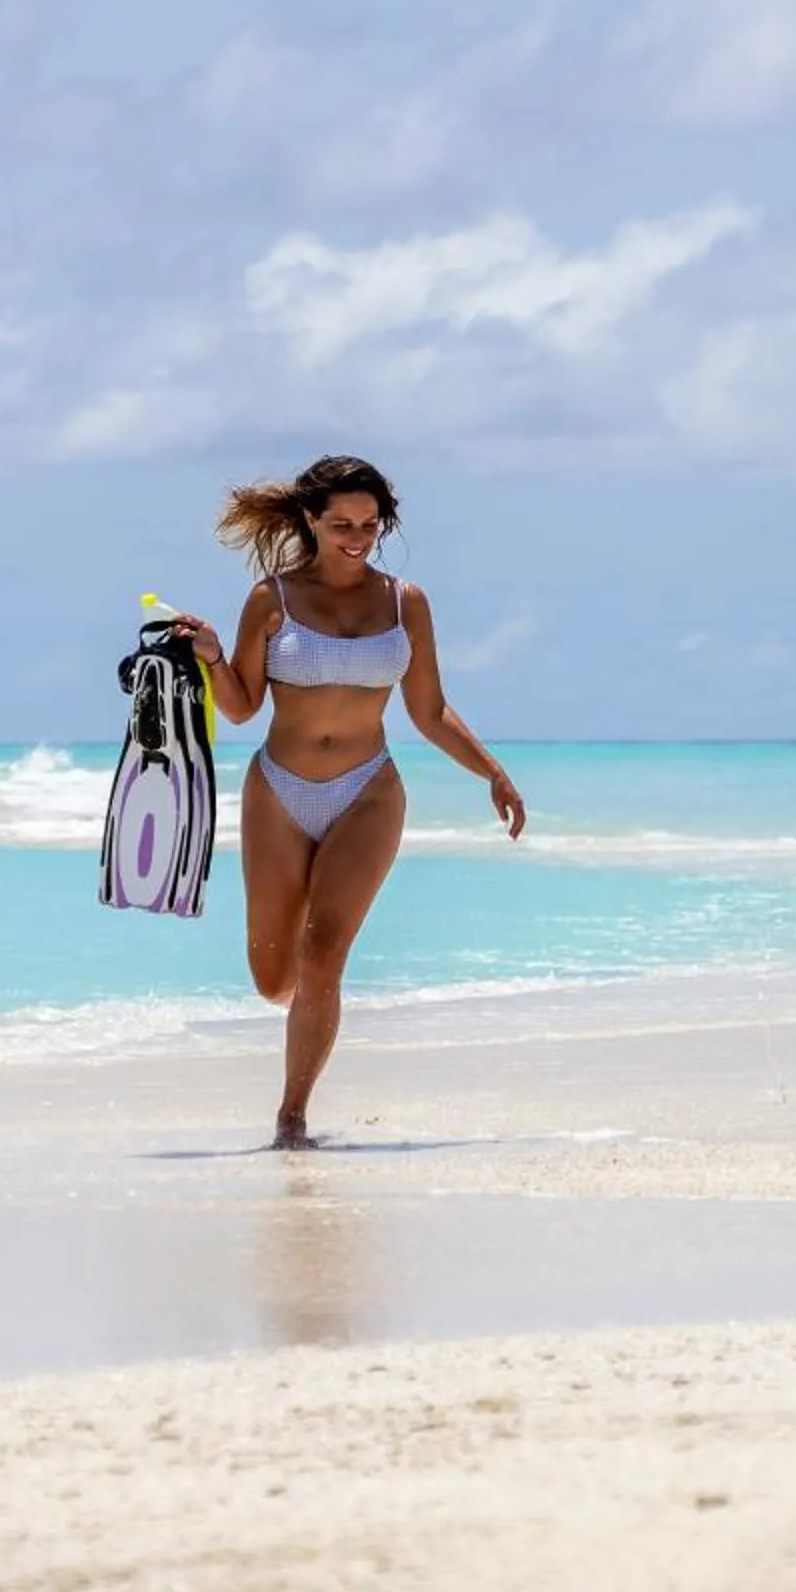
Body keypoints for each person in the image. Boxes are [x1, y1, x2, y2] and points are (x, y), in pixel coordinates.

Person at [171, 456, 526, 1149]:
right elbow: (241, 709)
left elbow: (429, 711)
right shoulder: (271, 599)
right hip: (279, 789)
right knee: (275, 976)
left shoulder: (405, 603)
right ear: (311, 521)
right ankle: (307, 998)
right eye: (342, 525)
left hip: (369, 789)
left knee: (326, 951)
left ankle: (291, 1119)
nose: (357, 536)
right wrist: (213, 656)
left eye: (369, 524)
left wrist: (492, 772)